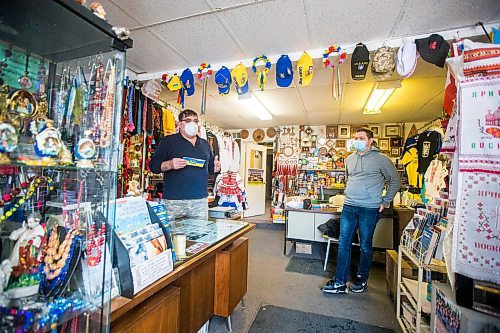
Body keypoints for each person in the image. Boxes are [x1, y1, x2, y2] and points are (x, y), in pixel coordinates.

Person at [322, 128, 400, 294]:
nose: (357, 140)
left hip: (369, 209)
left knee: (365, 245)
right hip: (349, 206)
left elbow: (395, 180)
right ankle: (340, 282)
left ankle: (361, 279)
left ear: (370, 140)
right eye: (355, 138)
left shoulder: (381, 160)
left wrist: (386, 202)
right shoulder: (350, 159)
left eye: (361, 138)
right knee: (344, 243)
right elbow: (349, 178)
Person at [150, 109, 221, 220]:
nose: (192, 124)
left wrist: (215, 167)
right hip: (173, 201)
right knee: (172, 236)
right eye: (188, 120)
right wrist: (170, 164)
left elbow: (210, 169)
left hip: (200, 201)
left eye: (195, 121)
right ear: (180, 124)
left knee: (200, 235)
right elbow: (153, 166)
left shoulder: (205, 144)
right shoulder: (168, 142)